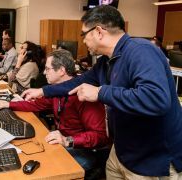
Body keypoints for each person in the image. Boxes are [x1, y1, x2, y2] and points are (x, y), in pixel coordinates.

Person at [22, 5, 182, 179]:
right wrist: (43, 91)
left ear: (98, 31)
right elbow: (77, 83)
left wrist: (100, 92)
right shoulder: (106, 61)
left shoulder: (141, 51)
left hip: (151, 159)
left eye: (84, 35)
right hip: (121, 151)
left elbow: (156, 99)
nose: (83, 41)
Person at [0, 49, 109, 178]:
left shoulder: (84, 95)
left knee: (47, 169)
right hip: (64, 142)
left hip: (85, 149)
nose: (44, 73)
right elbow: (36, 105)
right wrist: (8, 104)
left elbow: (101, 136)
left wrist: (67, 140)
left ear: (62, 71)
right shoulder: (55, 91)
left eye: (48, 69)